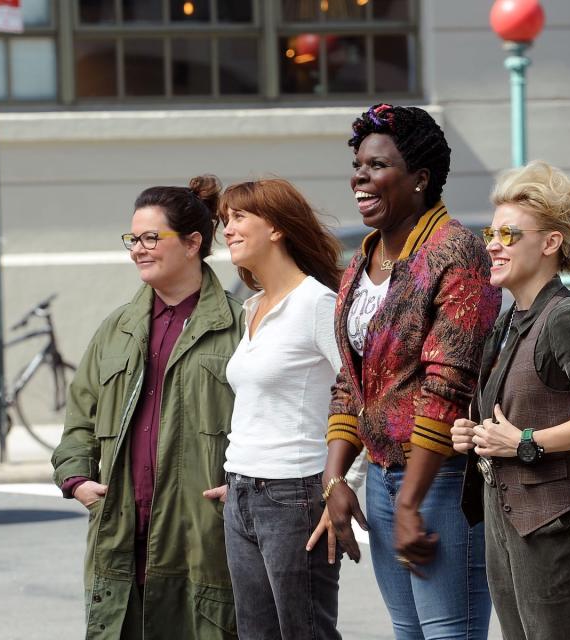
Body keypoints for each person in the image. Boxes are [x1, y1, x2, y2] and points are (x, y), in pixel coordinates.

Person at [321, 103, 502, 639]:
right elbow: (351, 380)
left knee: (449, 634)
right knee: (408, 633)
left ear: (420, 179)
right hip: (381, 475)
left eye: (377, 165)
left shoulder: (458, 253)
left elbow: (448, 385)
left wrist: (410, 500)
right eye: (358, 164)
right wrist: (334, 478)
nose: (360, 175)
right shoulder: (363, 259)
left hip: (439, 478)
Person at [51, 176, 244, 640]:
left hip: (200, 533)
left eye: (151, 237)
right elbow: (80, 417)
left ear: (194, 242)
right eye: (133, 239)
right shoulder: (117, 327)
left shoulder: (240, 327)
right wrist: (76, 480)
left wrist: (242, 493)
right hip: (121, 529)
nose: (138, 248)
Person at [453, 161, 570, 640]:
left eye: (509, 234)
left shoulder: (563, 317)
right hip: (507, 521)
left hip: (558, 527)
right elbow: (514, 413)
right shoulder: (512, 318)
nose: (492, 244)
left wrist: (528, 441)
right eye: (491, 232)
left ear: (551, 242)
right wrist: (474, 434)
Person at [200, 178, 349, 639]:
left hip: (297, 495)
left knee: (305, 633)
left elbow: (362, 396)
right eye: (226, 219)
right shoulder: (254, 307)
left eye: (241, 217)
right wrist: (239, 479)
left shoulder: (318, 304)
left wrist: (342, 488)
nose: (228, 229)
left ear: (278, 229)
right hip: (242, 492)